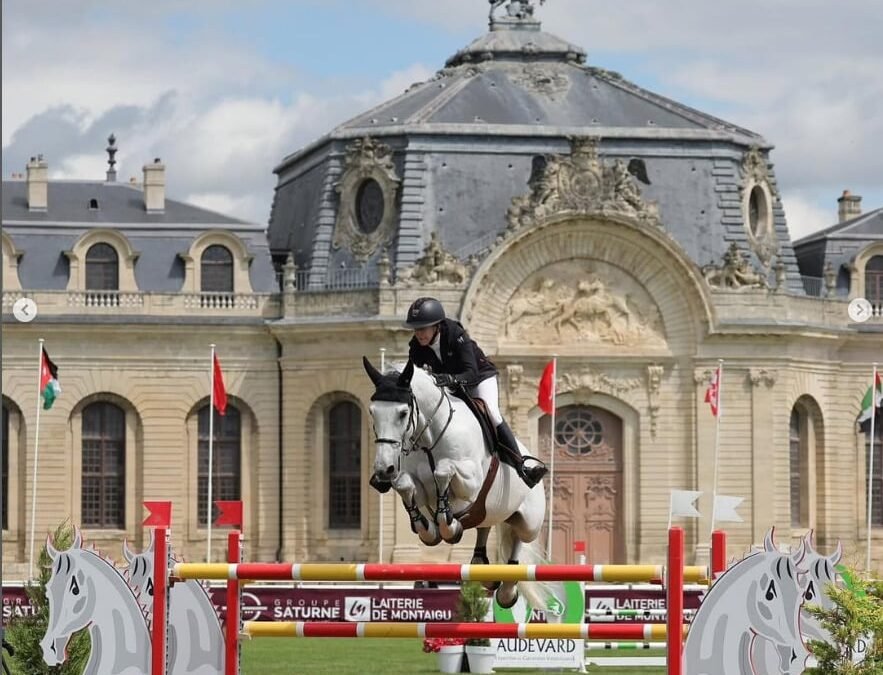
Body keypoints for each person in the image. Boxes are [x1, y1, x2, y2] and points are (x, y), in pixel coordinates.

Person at [405, 297, 548, 488]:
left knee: (492, 413)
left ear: (437, 326)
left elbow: (470, 372)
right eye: (416, 329)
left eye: (423, 328)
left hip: (479, 378)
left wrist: (451, 379)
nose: (419, 334)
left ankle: (522, 467)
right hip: (449, 385)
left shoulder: (456, 335)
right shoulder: (415, 347)